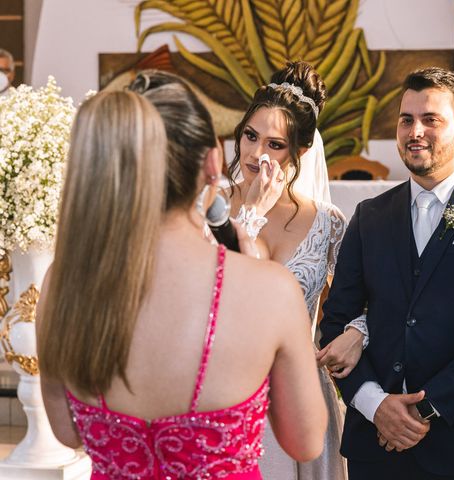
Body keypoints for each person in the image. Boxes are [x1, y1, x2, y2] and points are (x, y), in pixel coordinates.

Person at [37, 87, 327, 479]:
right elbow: (305, 441)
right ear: (212, 162)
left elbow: (67, 431)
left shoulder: (63, 282)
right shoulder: (271, 290)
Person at [319, 67, 454, 480]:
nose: (415, 131)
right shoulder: (369, 218)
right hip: (375, 446)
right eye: (406, 119)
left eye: (430, 119)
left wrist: (422, 407)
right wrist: (374, 404)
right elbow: (335, 322)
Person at [226, 61, 348, 480]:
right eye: (250, 136)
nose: (257, 154)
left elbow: (358, 304)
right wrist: (253, 214)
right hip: (227, 391)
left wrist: (356, 333)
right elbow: (221, 294)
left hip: (302, 397)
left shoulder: (329, 223)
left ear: (301, 151)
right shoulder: (208, 208)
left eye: (275, 144)